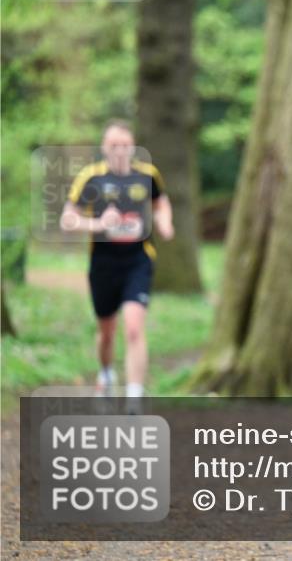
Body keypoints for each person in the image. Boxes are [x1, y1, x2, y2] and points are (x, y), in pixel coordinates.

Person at [60, 121, 174, 409]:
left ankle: (134, 398)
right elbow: (67, 219)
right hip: (103, 262)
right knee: (107, 331)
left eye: (125, 145)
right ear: (104, 148)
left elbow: (161, 202)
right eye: (114, 146)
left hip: (138, 260)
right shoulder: (92, 178)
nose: (120, 151)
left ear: (133, 146)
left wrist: (165, 221)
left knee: (134, 326)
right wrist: (98, 222)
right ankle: (106, 374)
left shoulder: (147, 175)